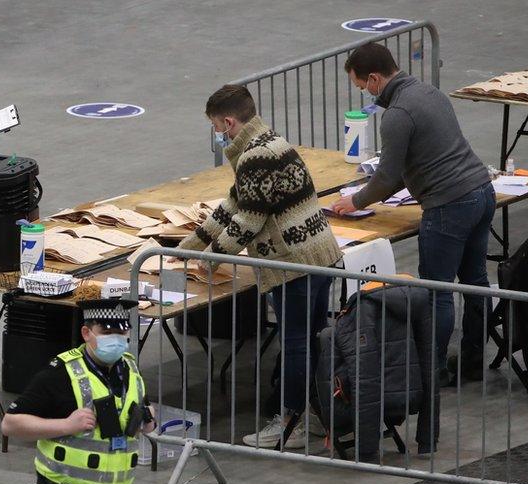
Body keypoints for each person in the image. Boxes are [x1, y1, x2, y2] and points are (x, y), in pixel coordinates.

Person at [176, 84, 343, 449]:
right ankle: (311, 415)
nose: (217, 134)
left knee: (298, 344)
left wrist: (211, 258)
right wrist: (187, 248)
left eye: (216, 126)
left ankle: (290, 423)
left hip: (294, 264)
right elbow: (232, 204)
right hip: (317, 255)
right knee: (312, 340)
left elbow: (250, 218)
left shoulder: (255, 156)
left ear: (229, 122)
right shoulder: (266, 142)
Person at [330, 43, 494, 386]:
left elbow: (389, 176)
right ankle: (474, 359)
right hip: (481, 191)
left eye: (362, 86)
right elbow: (415, 163)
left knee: (437, 291)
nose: (365, 93)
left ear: (374, 78)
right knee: (476, 281)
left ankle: (429, 372)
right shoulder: (429, 92)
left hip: (449, 205)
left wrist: (355, 202)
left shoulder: (398, 114)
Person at [1, 299, 156, 484]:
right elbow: (11, 424)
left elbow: (141, 412)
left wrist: (147, 419)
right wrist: (66, 425)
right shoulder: (60, 373)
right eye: (106, 332)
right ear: (86, 333)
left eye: (121, 332)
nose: (115, 339)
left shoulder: (129, 368)